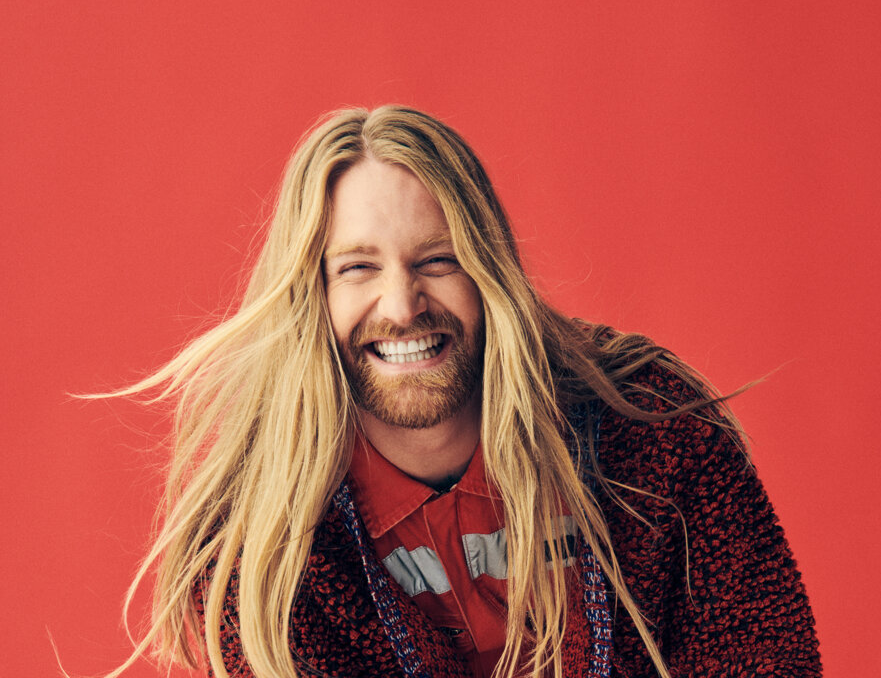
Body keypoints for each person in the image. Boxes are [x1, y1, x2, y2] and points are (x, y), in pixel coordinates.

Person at [110, 106, 820, 678]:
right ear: (309, 298)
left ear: (491, 273)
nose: (402, 305)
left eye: (438, 259)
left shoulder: (652, 428)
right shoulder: (260, 555)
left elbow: (765, 655)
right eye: (357, 268)